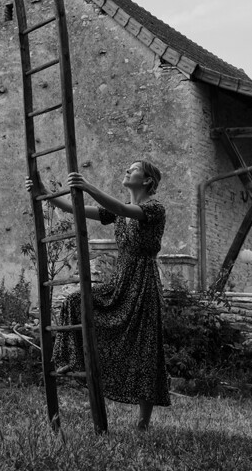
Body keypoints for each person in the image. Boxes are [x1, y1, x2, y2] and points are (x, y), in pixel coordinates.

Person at [26, 160, 170, 429]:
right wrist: (42, 191)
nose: (127, 170)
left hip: (144, 284)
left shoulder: (154, 208)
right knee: (75, 300)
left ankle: (143, 423)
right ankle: (73, 359)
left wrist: (87, 186)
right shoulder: (118, 213)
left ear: (147, 181)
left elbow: (122, 208)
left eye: (134, 168)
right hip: (120, 280)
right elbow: (73, 208)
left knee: (145, 348)